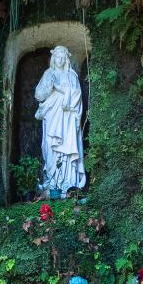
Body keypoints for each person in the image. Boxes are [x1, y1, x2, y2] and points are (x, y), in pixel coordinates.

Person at [34, 45, 86, 197]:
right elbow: (39, 95)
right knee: (50, 146)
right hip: (52, 116)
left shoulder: (71, 75)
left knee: (67, 147)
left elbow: (76, 95)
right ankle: (52, 182)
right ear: (53, 58)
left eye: (63, 58)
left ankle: (68, 182)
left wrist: (59, 88)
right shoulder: (48, 74)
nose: (60, 60)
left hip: (67, 118)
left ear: (66, 59)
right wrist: (49, 87)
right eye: (58, 57)